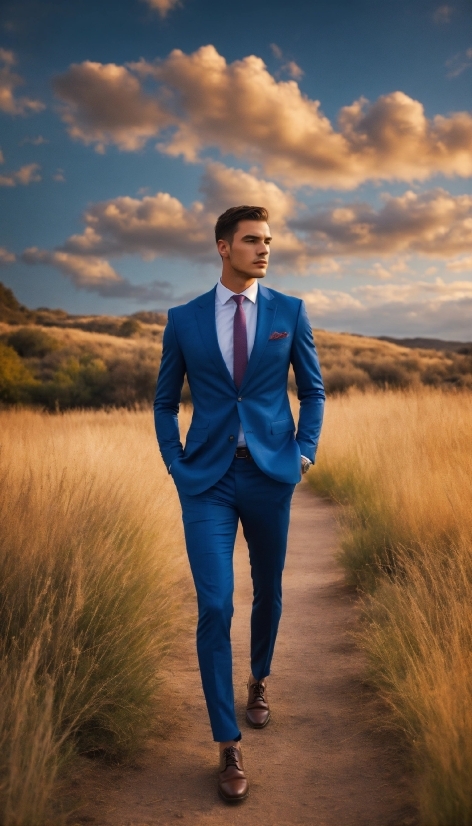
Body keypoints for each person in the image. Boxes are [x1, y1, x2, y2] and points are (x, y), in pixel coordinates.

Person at [154, 205, 325, 803]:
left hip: (270, 475)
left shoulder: (289, 312)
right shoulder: (184, 319)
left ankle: (258, 679)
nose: (264, 249)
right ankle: (227, 745)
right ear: (223, 247)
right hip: (207, 481)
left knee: (269, 590)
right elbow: (162, 401)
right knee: (215, 602)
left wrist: (304, 452)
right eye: (252, 240)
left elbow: (314, 389)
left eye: (268, 241)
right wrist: (175, 463)